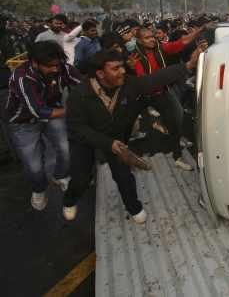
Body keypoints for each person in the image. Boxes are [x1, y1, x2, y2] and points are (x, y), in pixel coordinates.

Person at [62, 43, 207, 223]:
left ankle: (134, 207)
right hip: (86, 140)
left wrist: (187, 66)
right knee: (81, 179)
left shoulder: (128, 84)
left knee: (124, 177)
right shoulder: (79, 94)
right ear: (100, 73)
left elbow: (155, 79)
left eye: (122, 66)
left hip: (117, 141)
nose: (123, 71)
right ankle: (69, 200)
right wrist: (108, 144)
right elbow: (78, 128)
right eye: (116, 68)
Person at [5, 41, 81, 210]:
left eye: (58, 65)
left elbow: (83, 87)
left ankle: (60, 175)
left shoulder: (63, 68)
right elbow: (38, 111)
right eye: (50, 66)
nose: (55, 69)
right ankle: (39, 189)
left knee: (66, 148)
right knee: (35, 166)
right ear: (34, 62)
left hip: (53, 112)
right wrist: (72, 110)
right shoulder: (22, 77)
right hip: (23, 123)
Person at [132, 25, 204, 170]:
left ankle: (177, 156)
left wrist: (200, 30)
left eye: (152, 36)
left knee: (177, 116)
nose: (152, 39)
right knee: (127, 125)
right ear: (139, 41)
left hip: (161, 93)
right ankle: (128, 157)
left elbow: (180, 43)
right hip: (141, 96)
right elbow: (145, 82)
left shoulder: (160, 48)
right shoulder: (134, 58)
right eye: (147, 38)